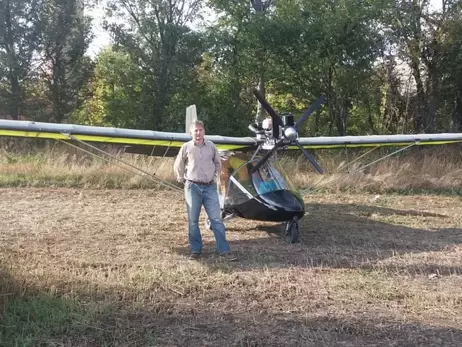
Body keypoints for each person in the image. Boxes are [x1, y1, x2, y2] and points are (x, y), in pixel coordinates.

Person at [173, 120, 237, 261]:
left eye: (200, 130)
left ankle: (224, 250)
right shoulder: (186, 147)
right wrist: (181, 178)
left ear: (204, 131)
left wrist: (214, 175)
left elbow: (218, 163)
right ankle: (196, 250)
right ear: (191, 133)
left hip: (209, 187)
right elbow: (179, 164)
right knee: (193, 221)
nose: (198, 133)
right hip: (192, 187)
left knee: (216, 219)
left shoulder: (211, 146)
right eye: (195, 130)